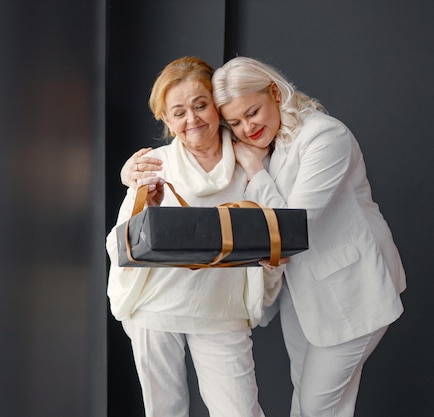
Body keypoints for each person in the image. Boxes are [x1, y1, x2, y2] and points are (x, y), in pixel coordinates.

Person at [122, 56, 407, 417]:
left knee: (317, 405)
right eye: (236, 121)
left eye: (252, 112)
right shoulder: (259, 142)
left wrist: (256, 170)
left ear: (275, 92)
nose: (246, 127)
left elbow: (291, 227)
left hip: (350, 288)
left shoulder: (316, 138)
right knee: (312, 400)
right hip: (300, 296)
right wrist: (128, 173)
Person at [106, 56, 285, 417]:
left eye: (201, 105)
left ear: (216, 106)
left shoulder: (250, 156)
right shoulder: (154, 164)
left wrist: (253, 169)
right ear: (166, 121)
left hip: (221, 311)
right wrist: (146, 208)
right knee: (164, 411)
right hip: (155, 308)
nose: (193, 120)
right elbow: (119, 245)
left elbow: (280, 224)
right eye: (179, 113)